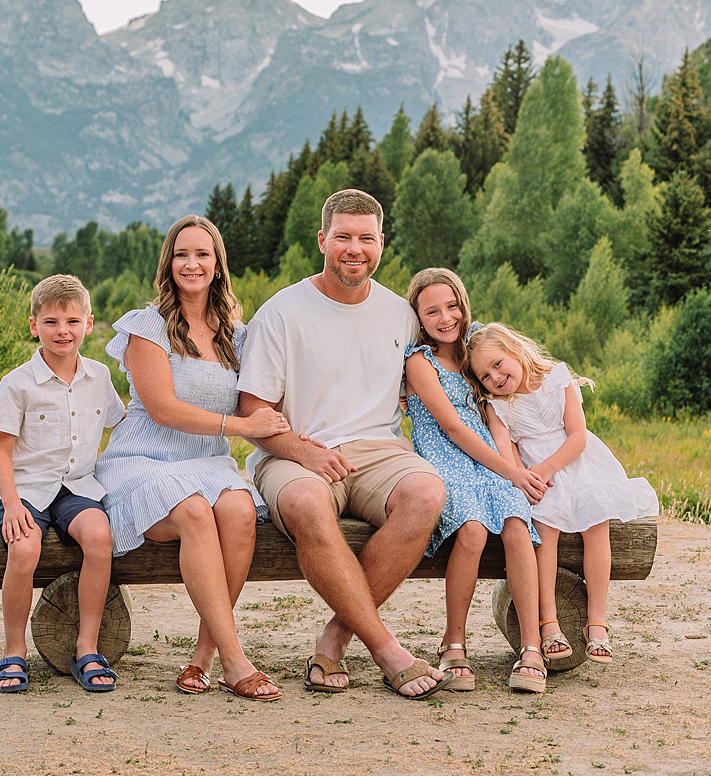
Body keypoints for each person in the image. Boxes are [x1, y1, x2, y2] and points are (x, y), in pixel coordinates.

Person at [236, 189, 452, 699]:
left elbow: (456, 352)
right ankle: (386, 649)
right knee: (308, 502)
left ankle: (336, 635)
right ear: (322, 240)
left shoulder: (401, 313)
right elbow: (252, 411)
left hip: (380, 451)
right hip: (295, 449)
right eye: (343, 237)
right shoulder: (283, 312)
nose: (355, 249)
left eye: (366, 238)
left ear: (382, 243)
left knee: (426, 494)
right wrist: (301, 451)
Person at [95, 215, 290, 701]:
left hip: (208, 460)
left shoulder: (237, 335)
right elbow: (162, 409)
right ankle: (236, 661)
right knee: (197, 512)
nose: (192, 263)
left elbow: (271, 393)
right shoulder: (147, 326)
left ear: (218, 265)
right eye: (182, 254)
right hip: (146, 458)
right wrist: (243, 428)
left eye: (202, 254)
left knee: (241, 511)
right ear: (168, 263)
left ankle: (204, 656)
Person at [467, 322, 659, 665]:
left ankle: (597, 624)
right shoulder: (498, 407)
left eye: (497, 364)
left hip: (577, 468)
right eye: (484, 376)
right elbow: (504, 452)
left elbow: (578, 437)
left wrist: (546, 468)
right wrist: (525, 478)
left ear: (515, 349)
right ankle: (549, 622)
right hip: (538, 481)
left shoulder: (558, 379)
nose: (494, 377)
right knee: (545, 533)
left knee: (596, 526)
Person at [403, 269, 547, 693]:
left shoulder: (473, 356)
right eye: (432, 311)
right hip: (446, 460)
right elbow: (453, 429)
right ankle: (453, 642)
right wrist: (510, 470)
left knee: (518, 525)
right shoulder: (419, 362)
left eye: (452, 306)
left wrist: (515, 469)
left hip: (490, 460)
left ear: (464, 305)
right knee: (472, 528)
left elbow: (493, 419)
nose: (445, 318)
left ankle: (532, 646)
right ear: (419, 317)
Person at [0, 274, 125, 693]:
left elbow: (122, 424)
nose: (62, 331)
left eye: (71, 321)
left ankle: (86, 647)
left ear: (88, 322)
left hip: (79, 488)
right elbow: (2, 453)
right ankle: (13, 653)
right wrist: (11, 506)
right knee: (25, 547)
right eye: (51, 322)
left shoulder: (99, 376)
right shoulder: (17, 384)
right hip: (27, 490)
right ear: (34, 325)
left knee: (100, 538)